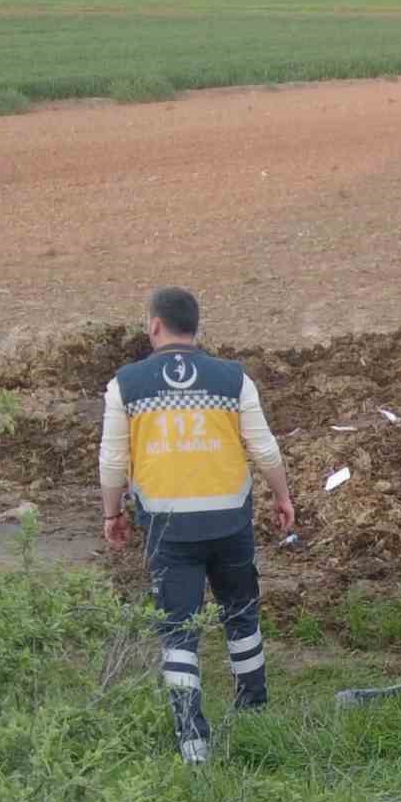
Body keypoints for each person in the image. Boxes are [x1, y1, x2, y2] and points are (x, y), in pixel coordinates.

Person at [99, 287, 295, 764]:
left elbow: (112, 461)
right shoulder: (233, 378)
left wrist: (112, 512)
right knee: (241, 615)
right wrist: (282, 495)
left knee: (178, 631)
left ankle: (193, 742)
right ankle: (253, 714)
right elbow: (265, 449)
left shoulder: (125, 384)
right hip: (230, 521)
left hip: (169, 529)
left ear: (153, 326)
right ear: (196, 327)